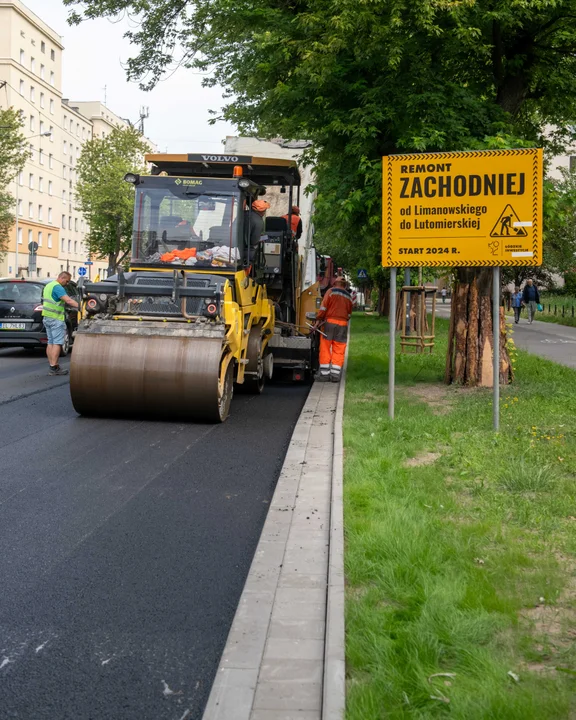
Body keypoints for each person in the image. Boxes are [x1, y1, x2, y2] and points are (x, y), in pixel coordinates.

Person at [314, 276, 353, 382]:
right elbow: (349, 313)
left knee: (325, 348)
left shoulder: (330, 292)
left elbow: (323, 307)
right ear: (345, 286)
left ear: (334, 283)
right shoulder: (348, 296)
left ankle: (324, 374)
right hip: (343, 325)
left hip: (329, 323)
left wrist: (318, 320)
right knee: (339, 349)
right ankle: (335, 375)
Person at [41, 272, 79, 375]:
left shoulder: (48, 285)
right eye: (66, 281)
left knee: (50, 342)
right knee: (57, 343)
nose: (67, 284)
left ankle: (52, 365)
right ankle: (54, 368)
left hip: (47, 317)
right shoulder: (58, 287)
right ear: (62, 278)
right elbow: (69, 301)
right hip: (55, 318)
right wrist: (81, 307)